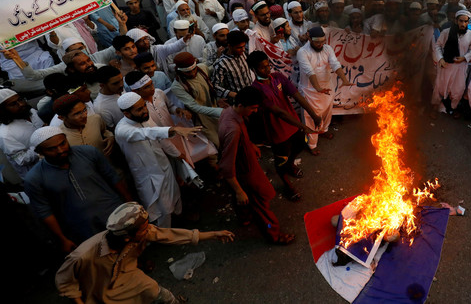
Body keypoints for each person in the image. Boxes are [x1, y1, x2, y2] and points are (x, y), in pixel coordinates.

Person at [55, 202, 235, 304]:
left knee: (160, 294)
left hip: (130, 278)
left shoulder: (139, 234)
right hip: (99, 290)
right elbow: (64, 283)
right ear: (127, 237)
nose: (149, 229)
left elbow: (171, 235)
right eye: (144, 228)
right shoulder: (83, 255)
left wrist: (213, 234)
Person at [24, 125, 132, 252]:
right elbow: (45, 212)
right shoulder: (34, 178)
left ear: (66, 139)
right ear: (40, 152)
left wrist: (129, 202)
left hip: (112, 210)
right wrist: (62, 239)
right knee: (102, 255)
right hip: (82, 227)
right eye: (51, 149)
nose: (60, 150)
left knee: (131, 242)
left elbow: (112, 177)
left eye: (62, 143)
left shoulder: (89, 153)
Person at [218, 87, 296, 244]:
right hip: (244, 173)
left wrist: (250, 145)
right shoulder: (232, 129)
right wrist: (239, 191)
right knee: (261, 208)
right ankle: (273, 234)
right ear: (241, 105)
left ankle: (245, 218)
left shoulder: (229, 113)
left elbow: (237, 142)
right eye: (253, 108)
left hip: (245, 164)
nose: (255, 111)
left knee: (245, 203)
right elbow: (226, 166)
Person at [114, 92, 200, 228]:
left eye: (144, 106)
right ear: (127, 114)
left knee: (175, 195)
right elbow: (146, 133)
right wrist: (174, 129)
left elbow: (160, 138)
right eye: (139, 109)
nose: (144, 111)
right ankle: (165, 234)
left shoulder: (145, 118)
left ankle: (180, 223)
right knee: (161, 208)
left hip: (163, 164)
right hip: (148, 174)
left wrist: (178, 155)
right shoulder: (122, 130)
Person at [248, 51, 319, 201]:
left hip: (293, 126)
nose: (267, 70)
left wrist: (313, 114)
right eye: (262, 68)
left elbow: (297, 96)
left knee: (300, 145)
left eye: (268, 66)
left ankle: (291, 165)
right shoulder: (256, 89)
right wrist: (303, 125)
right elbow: (278, 112)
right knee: (281, 161)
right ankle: (287, 185)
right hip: (277, 131)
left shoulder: (278, 77)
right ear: (254, 69)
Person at [296, 26, 351, 154]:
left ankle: (323, 131)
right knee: (310, 118)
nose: (320, 44)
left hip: (327, 88)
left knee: (327, 113)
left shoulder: (328, 48)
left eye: (323, 41)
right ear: (309, 38)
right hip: (310, 91)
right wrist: (318, 88)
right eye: (317, 42)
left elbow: (335, 64)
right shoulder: (303, 52)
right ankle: (312, 144)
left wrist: (344, 80)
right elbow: (309, 72)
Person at [432, 10, 471, 118]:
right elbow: (437, 46)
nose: (463, 24)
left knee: (458, 89)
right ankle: (435, 107)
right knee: (439, 88)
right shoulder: (446, 32)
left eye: (466, 21)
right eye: (461, 21)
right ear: (456, 21)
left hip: (460, 67)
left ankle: (453, 107)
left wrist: (464, 58)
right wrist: (440, 59)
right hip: (445, 66)